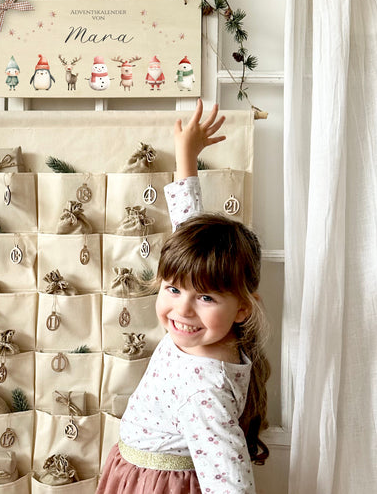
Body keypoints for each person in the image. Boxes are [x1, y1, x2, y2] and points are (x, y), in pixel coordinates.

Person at [97, 100, 271, 494]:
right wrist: (186, 156)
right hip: (139, 470)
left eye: (206, 298)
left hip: (155, 486)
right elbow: (187, 227)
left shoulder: (203, 390)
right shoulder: (212, 337)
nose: (182, 309)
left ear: (243, 307)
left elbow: (230, 484)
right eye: (174, 289)